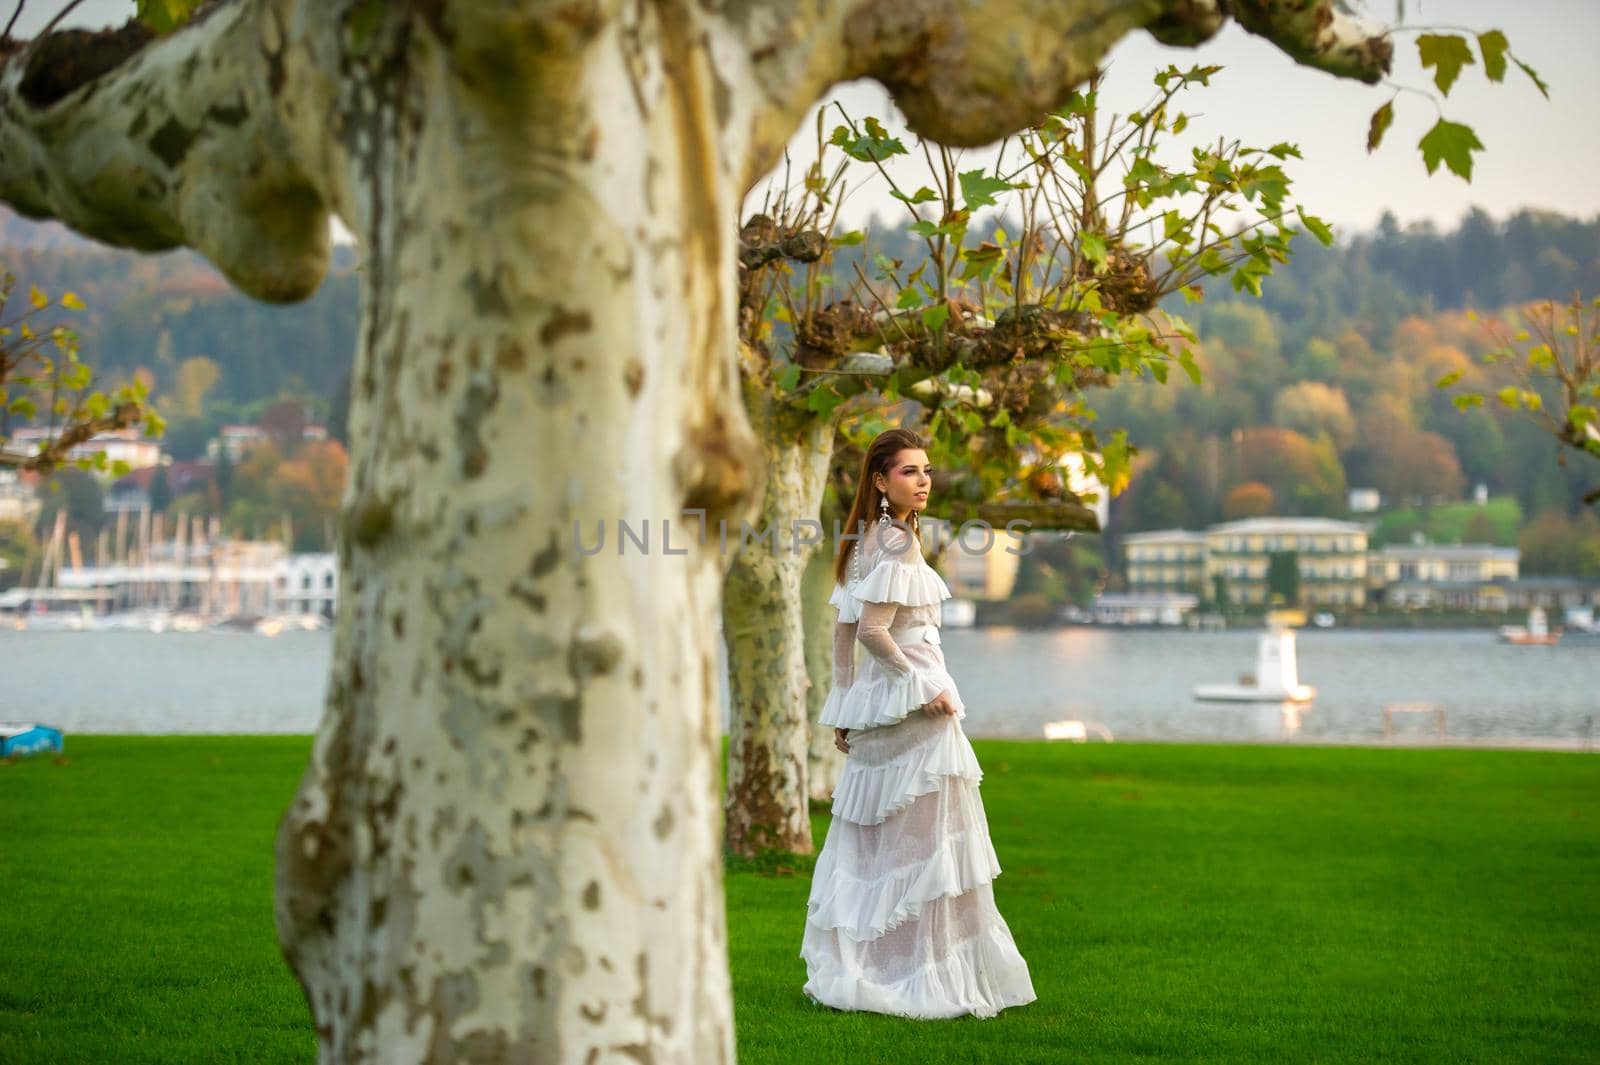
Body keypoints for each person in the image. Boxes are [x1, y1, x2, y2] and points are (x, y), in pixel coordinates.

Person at [799, 427, 1036, 1019]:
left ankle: (878, 967)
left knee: (881, 846)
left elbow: (845, 633)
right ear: (880, 481)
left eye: (927, 470)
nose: (924, 480)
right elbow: (874, 631)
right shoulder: (895, 543)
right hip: (913, 702)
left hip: (881, 705)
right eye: (909, 471)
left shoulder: (865, 540)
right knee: (929, 845)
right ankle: (920, 975)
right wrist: (920, 688)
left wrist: (848, 703)